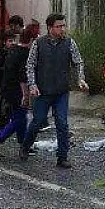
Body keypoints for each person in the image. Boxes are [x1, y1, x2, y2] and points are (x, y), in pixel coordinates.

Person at [18, 13, 88, 168]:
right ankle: (25, 146)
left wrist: (80, 79)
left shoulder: (69, 43)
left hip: (61, 91)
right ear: (50, 28)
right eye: (59, 26)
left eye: (64, 26)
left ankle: (62, 156)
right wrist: (32, 85)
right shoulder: (38, 44)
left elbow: (78, 62)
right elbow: (30, 65)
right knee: (38, 121)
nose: (62, 29)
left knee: (62, 123)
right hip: (42, 91)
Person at [0, 25, 37, 158]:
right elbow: (22, 78)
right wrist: (25, 96)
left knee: (20, 117)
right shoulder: (25, 54)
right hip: (17, 91)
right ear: (31, 40)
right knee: (18, 119)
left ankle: (24, 145)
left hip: (7, 89)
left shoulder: (13, 51)